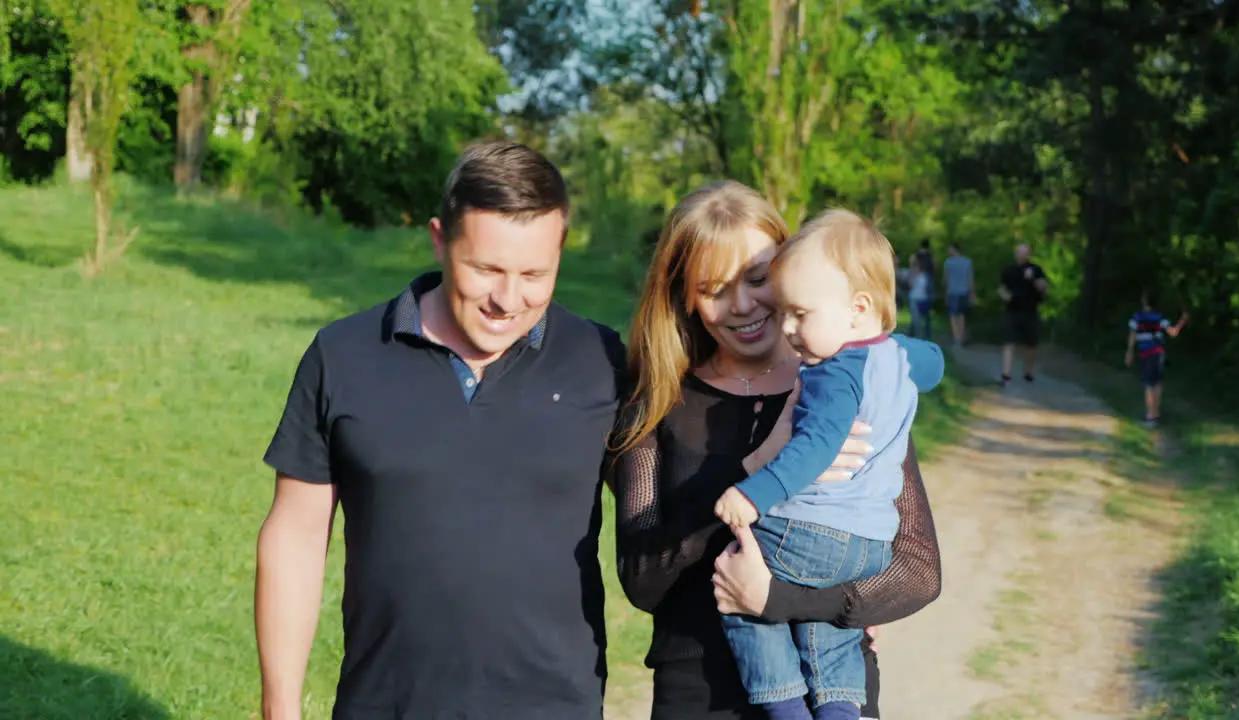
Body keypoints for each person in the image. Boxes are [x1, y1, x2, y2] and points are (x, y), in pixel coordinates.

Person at [255, 141, 627, 719]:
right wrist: (280, 709)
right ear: (438, 239)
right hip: (385, 704)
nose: (508, 299)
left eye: (535, 274)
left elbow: (669, 514)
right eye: (486, 270)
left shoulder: (602, 361)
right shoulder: (344, 355)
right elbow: (296, 538)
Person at [613, 181, 944, 720]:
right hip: (700, 691)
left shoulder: (846, 385)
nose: (742, 304)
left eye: (758, 278)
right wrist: (754, 464)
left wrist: (790, 602)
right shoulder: (659, 402)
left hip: (828, 691)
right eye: (713, 287)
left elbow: (917, 568)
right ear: (685, 297)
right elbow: (642, 576)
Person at [712, 210, 945, 720]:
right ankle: (839, 710)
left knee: (738, 583)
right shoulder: (900, 356)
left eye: (800, 314)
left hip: (814, 531)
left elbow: (813, 448)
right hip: (871, 545)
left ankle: (785, 706)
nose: (789, 329)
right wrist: (902, 343)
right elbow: (935, 363)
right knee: (833, 635)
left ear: (857, 308)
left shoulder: (832, 373)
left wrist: (752, 494)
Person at [1124, 289, 1188, 427]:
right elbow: (1173, 332)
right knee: (1158, 383)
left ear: (1144, 300)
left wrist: (1129, 352)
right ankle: (1156, 414)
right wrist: (1182, 320)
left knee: (1148, 384)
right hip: (1159, 352)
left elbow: (1132, 335)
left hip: (1145, 352)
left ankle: (1150, 416)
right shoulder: (1160, 317)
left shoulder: (1137, 317)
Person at [997, 243, 1047, 385]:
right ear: (1016, 254)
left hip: (1030, 311)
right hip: (1013, 311)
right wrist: (1007, 298)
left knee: (1031, 344)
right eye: (1020, 252)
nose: (1023, 255)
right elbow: (1001, 288)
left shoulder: (1036, 269)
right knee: (1009, 342)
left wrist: (1033, 280)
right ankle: (1006, 374)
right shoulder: (1009, 270)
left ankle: (1028, 372)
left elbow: (1043, 288)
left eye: (1026, 252)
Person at [942, 243, 975, 346]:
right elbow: (970, 279)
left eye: (949, 249)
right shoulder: (968, 262)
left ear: (954, 250)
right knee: (961, 315)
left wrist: (944, 288)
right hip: (964, 292)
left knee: (952, 315)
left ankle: (956, 337)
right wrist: (972, 293)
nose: (948, 252)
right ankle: (960, 336)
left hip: (952, 292)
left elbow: (945, 280)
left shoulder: (948, 262)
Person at [907, 254, 931, 340]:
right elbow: (910, 285)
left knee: (925, 319)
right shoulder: (912, 275)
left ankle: (923, 335)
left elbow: (928, 288)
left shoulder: (925, 275)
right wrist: (913, 275)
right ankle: (918, 336)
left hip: (923, 299)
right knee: (916, 320)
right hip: (914, 299)